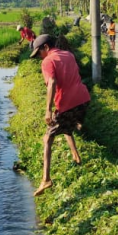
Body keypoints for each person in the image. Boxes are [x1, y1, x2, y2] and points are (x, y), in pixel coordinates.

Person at [30, 34, 91, 197]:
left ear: (46, 48)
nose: (38, 57)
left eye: (39, 53)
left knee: (47, 138)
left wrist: (48, 109)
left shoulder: (48, 61)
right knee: (66, 126)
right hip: (83, 100)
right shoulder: (68, 55)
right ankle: (76, 156)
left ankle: (46, 179)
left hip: (67, 103)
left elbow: (52, 83)